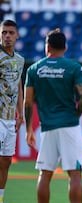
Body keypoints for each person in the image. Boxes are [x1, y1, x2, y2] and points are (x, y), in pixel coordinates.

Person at [24, 28, 82, 203]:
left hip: (47, 127)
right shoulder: (73, 67)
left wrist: (29, 129)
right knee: (74, 173)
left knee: (45, 173)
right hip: (69, 124)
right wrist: (76, 115)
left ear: (47, 47)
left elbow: (28, 102)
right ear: (65, 47)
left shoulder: (34, 69)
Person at [0, 19, 25, 203]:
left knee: (6, 161)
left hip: (10, 119)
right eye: (3, 32)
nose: (7, 36)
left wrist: (21, 113)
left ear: (17, 36)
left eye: (10, 33)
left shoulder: (20, 59)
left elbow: (18, 85)